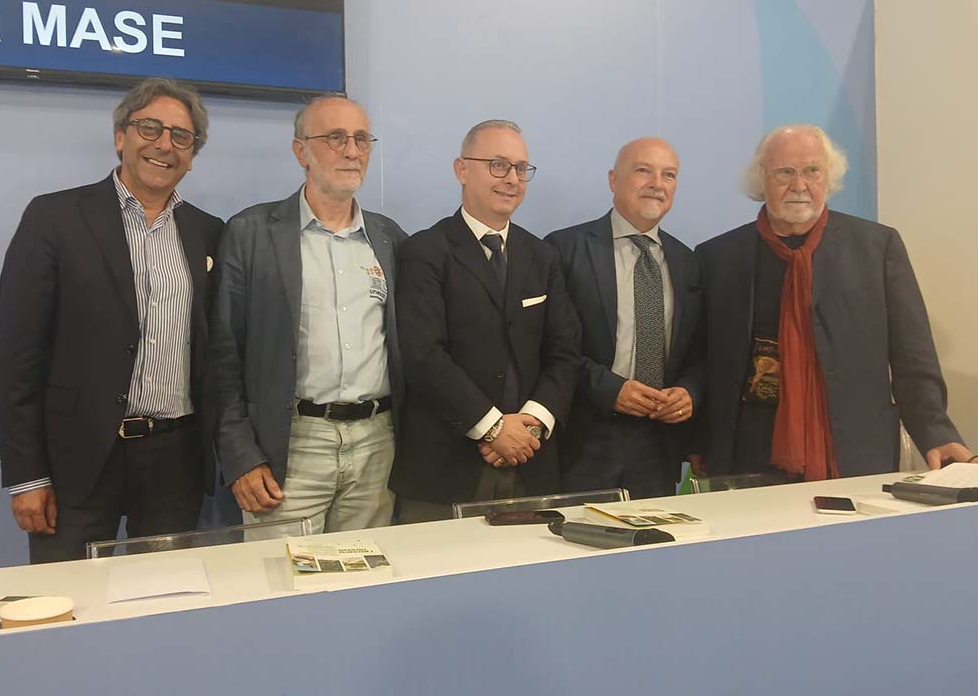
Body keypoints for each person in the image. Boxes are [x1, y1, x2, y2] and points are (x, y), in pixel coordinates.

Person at [0, 77, 223, 563]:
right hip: (75, 460)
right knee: (64, 598)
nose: (165, 144)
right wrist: (27, 476)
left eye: (181, 136)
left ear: (192, 155)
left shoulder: (208, 232)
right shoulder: (54, 218)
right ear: (121, 136)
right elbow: (17, 358)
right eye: (150, 128)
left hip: (174, 460)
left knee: (164, 597)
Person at [694, 124, 974, 481]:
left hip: (856, 451)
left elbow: (912, 356)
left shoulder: (877, 247)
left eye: (812, 171)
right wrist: (697, 441)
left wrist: (937, 433)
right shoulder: (717, 257)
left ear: (829, 178)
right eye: (784, 172)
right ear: (761, 179)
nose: (799, 185)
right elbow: (702, 360)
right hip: (748, 456)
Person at [212, 95, 405, 533]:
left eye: (361, 139)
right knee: (283, 575)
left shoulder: (389, 239)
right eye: (336, 138)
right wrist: (241, 455)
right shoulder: (251, 233)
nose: (352, 151)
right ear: (301, 150)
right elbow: (223, 356)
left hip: (377, 446)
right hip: (289, 446)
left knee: (367, 572)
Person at [390, 119, 581, 521]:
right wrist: (493, 428)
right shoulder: (425, 251)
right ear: (462, 170)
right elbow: (424, 355)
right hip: (445, 468)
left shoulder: (542, 256)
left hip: (531, 462)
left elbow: (565, 351)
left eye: (520, 168)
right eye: (498, 165)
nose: (511, 178)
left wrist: (531, 424)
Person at [547, 138, 704, 498]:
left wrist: (690, 392)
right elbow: (549, 346)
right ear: (613, 179)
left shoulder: (688, 262)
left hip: (659, 444)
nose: (657, 184)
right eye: (643, 171)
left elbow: (700, 351)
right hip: (585, 439)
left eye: (669, 175)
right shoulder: (564, 249)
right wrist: (609, 389)